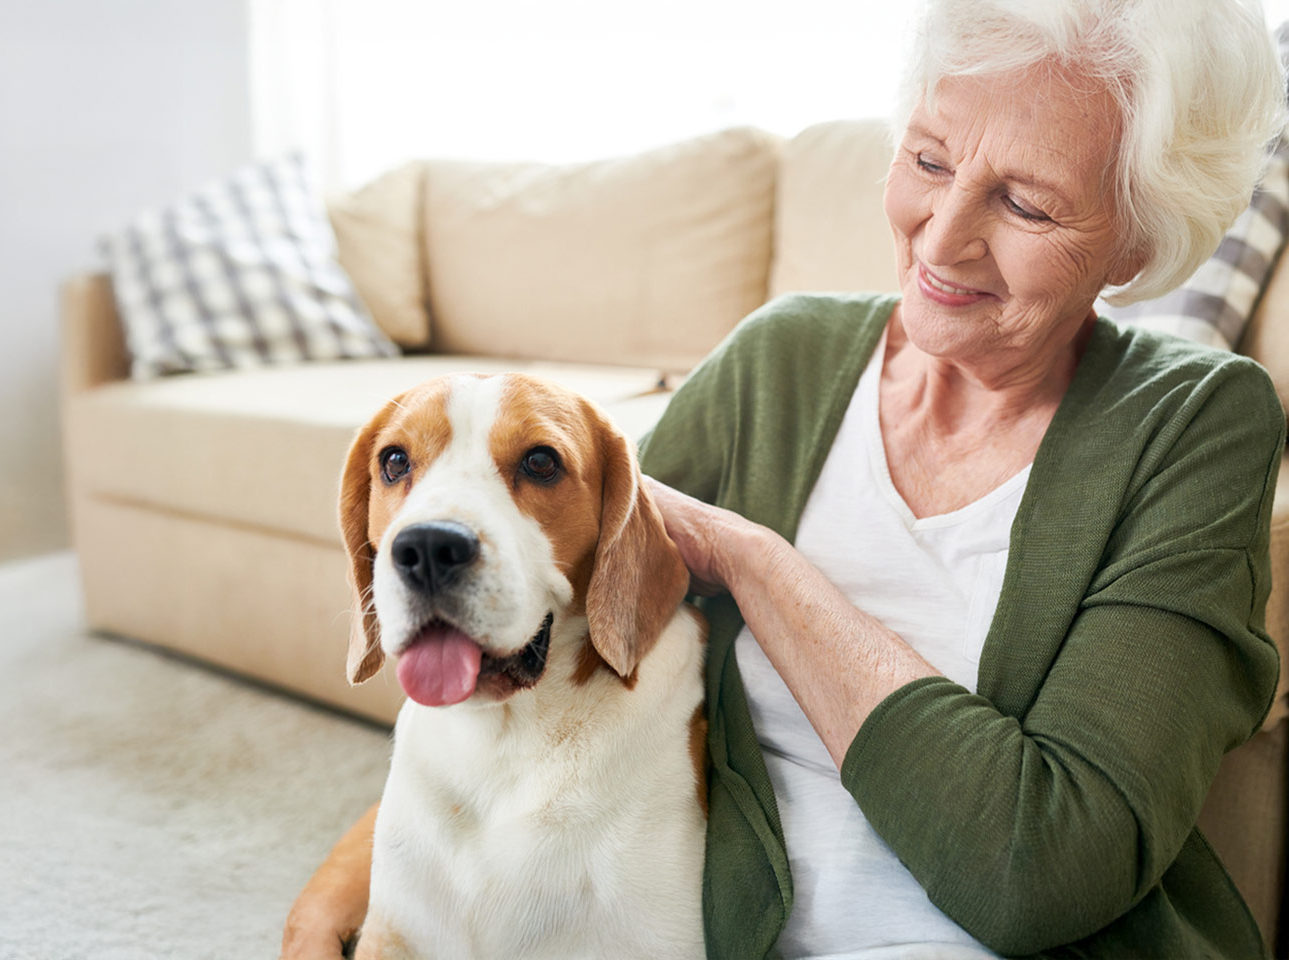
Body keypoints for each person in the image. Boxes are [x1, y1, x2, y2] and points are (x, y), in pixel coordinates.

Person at [282, 0, 1288, 956]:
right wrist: (351, 889)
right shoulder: (780, 362)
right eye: (929, 160)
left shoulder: (1195, 424)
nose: (941, 239)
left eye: (1024, 203)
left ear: (1141, 236)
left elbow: (1042, 871)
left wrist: (753, 559)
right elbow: (565, 644)